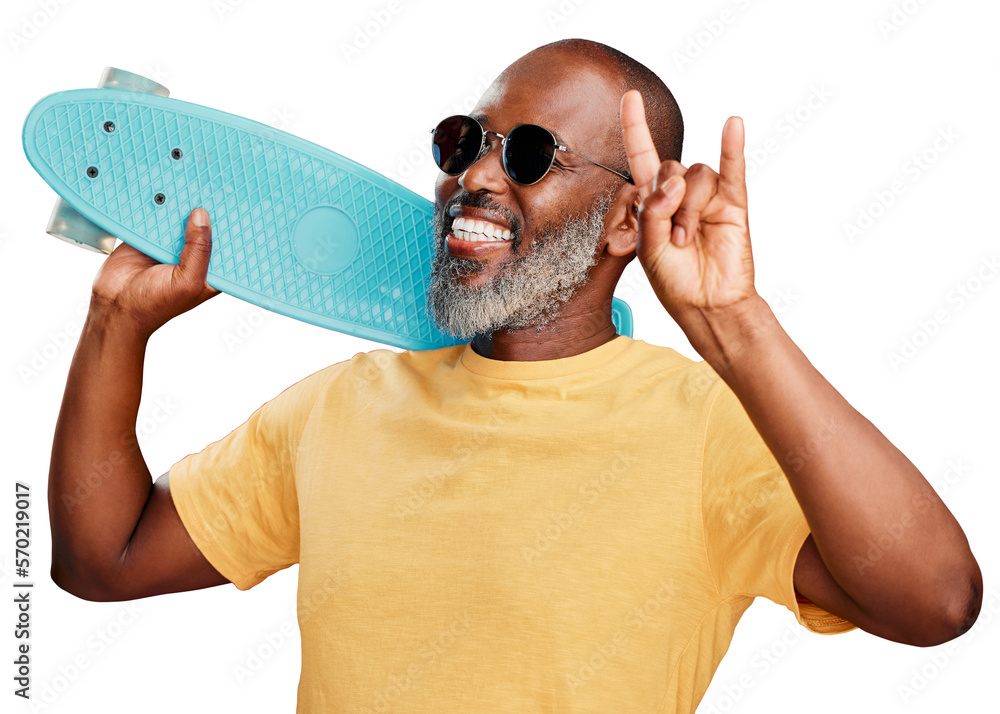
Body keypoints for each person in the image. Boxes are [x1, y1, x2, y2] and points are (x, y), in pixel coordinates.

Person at [48, 39, 982, 713]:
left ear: (627, 224)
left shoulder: (710, 430)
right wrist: (113, 327)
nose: (478, 179)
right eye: (466, 143)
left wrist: (732, 324)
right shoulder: (342, 406)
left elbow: (935, 601)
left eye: (530, 155)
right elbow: (104, 559)